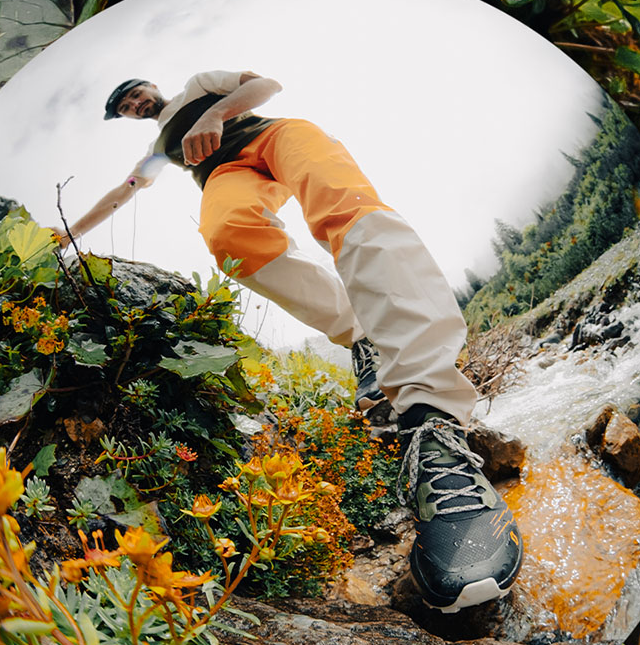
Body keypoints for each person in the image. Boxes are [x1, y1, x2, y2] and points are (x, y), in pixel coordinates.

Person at [57, 69, 523, 611]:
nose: (136, 103)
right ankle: (361, 335)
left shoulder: (197, 85)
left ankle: (436, 427)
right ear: (129, 118)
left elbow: (264, 86)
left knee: (342, 204)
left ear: (149, 87)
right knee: (229, 238)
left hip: (271, 136)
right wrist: (68, 233)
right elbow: (127, 190)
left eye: (135, 94)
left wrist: (213, 112)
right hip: (224, 174)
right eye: (127, 107)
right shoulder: (161, 148)